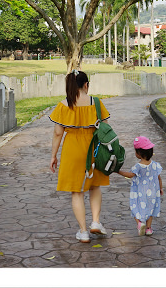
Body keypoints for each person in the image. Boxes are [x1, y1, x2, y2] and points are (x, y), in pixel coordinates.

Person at [49, 70, 110, 243]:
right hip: (94, 148)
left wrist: (53, 155)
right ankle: (96, 222)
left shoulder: (63, 105)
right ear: (86, 85)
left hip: (72, 149)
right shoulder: (96, 103)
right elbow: (106, 128)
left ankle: (83, 232)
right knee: (95, 186)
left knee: (77, 192)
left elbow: (58, 133)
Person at [118, 136, 163, 236]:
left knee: (135, 209)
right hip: (152, 193)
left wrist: (118, 171)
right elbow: (159, 178)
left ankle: (139, 223)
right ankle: (148, 229)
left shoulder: (137, 167)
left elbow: (130, 175)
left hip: (140, 193)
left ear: (138, 154)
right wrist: (160, 189)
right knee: (150, 210)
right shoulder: (156, 165)